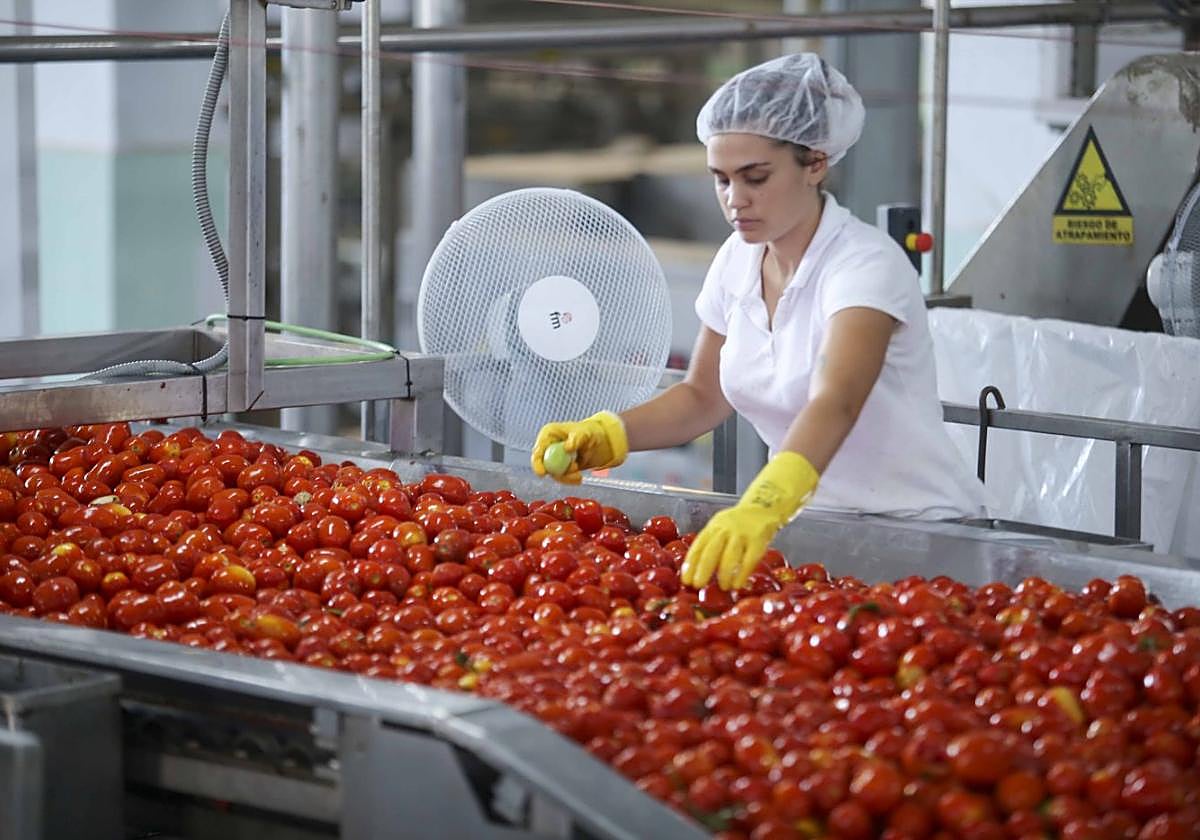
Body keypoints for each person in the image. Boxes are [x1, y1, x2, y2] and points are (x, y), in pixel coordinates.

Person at [531, 53, 986, 591]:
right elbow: (702, 396)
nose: (734, 200)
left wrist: (764, 504)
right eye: (720, 179)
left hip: (923, 536)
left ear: (815, 163)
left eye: (755, 177)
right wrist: (609, 434)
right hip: (814, 536)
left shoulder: (865, 264)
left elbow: (835, 400)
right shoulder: (737, 261)